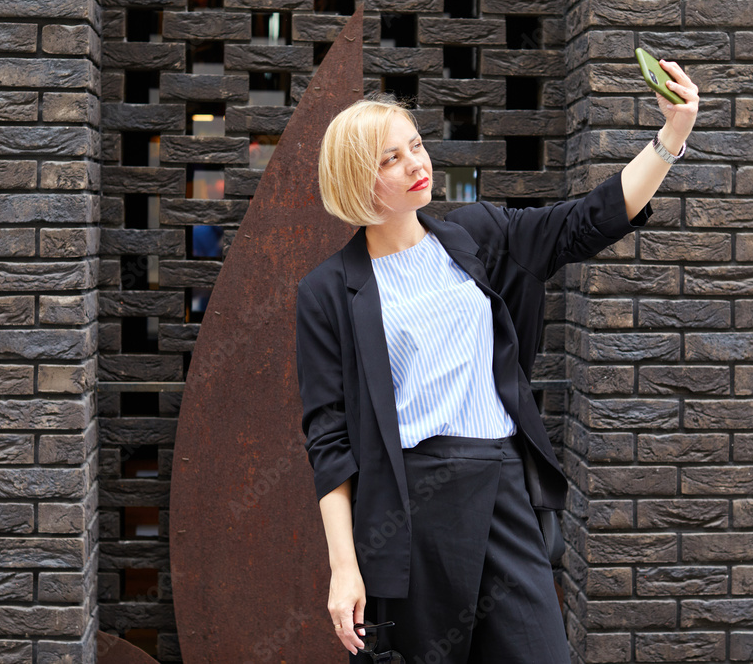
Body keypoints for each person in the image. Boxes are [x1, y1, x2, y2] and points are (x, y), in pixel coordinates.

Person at [295, 59, 700, 664]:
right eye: (390, 159)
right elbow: (328, 441)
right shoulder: (327, 291)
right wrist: (344, 568)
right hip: (409, 507)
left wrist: (671, 136)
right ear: (356, 180)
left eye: (416, 146)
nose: (417, 164)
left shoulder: (478, 234)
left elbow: (584, 221)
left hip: (501, 478)